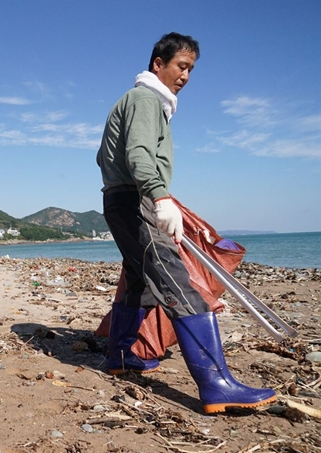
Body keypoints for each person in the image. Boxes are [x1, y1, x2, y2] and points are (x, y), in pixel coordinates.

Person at [96, 33, 276, 414]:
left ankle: (121, 355)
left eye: (191, 69)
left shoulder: (138, 101)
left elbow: (104, 156)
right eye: (181, 66)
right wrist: (158, 196)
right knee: (177, 281)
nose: (187, 76)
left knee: (140, 277)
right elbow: (139, 153)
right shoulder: (145, 99)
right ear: (157, 64)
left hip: (118, 199)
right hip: (136, 199)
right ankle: (216, 384)